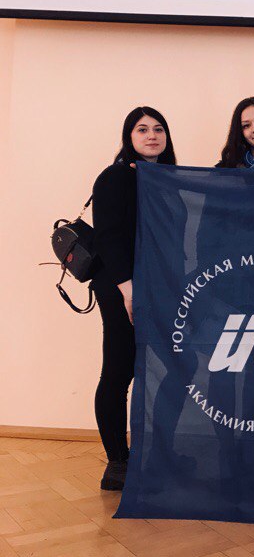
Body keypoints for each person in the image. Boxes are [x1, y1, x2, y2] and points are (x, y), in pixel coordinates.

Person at [91, 106, 177, 490]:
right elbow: (108, 237)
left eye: (158, 129)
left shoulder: (168, 179)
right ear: (129, 137)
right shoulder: (114, 177)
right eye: (142, 129)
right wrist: (129, 291)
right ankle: (117, 463)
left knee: (169, 369)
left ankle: (156, 452)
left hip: (159, 286)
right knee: (119, 370)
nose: (151, 136)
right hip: (122, 288)